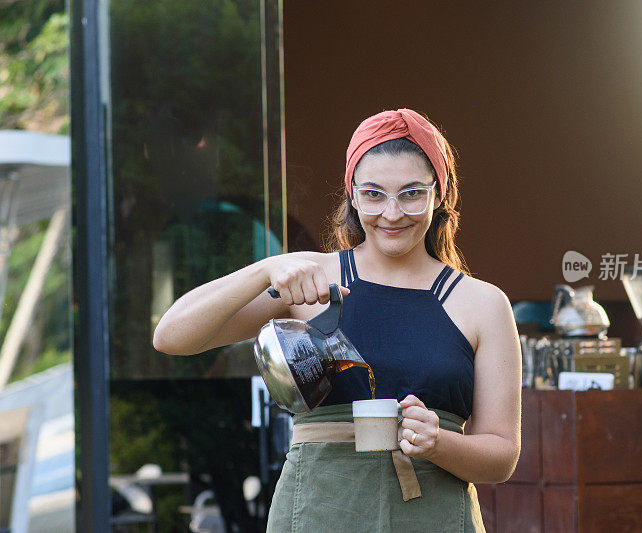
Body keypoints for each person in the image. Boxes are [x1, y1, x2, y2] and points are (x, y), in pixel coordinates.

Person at [153, 108, 522, 532]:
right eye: (373, 194)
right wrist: (266, 269)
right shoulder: (314, 280)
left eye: (412, 193)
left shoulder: (482, 303)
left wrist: (439, 443)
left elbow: (501, 456)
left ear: (439, 194)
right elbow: (172, 335)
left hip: (435, 516)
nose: (392, 213)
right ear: (352, 194)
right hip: (318, 511)